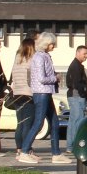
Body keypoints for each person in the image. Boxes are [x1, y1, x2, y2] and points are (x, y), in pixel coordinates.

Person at [19, 31, 69, 164]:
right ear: (46, 44)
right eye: (52, 44)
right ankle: (24, 151)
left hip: (46, 92)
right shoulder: (40, 57)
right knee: (38, 123)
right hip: (41, 93)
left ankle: (56, 154)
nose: (54, 46)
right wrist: (55, 78)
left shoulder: (44, 56)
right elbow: (41, 78)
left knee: (54, 122)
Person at [9, 36, 36, 154]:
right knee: (27, 124)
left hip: (17, 94)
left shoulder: (17, 60)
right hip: (28, 94)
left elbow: (13, 78)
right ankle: (26, 148)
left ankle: (19, 148)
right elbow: (31, 79)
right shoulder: (31, 60)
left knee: (20, 123)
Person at [65, 45, 87, 138]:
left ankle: (70, 144)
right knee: (78, 121)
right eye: (84, 53)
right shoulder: (75, 66)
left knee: (73, 122)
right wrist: (83, 92)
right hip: (77, 97)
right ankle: (75, 143)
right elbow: (76, 84)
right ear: (77, 53)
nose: (86, 56)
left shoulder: (78, 65)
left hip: (76, 97)